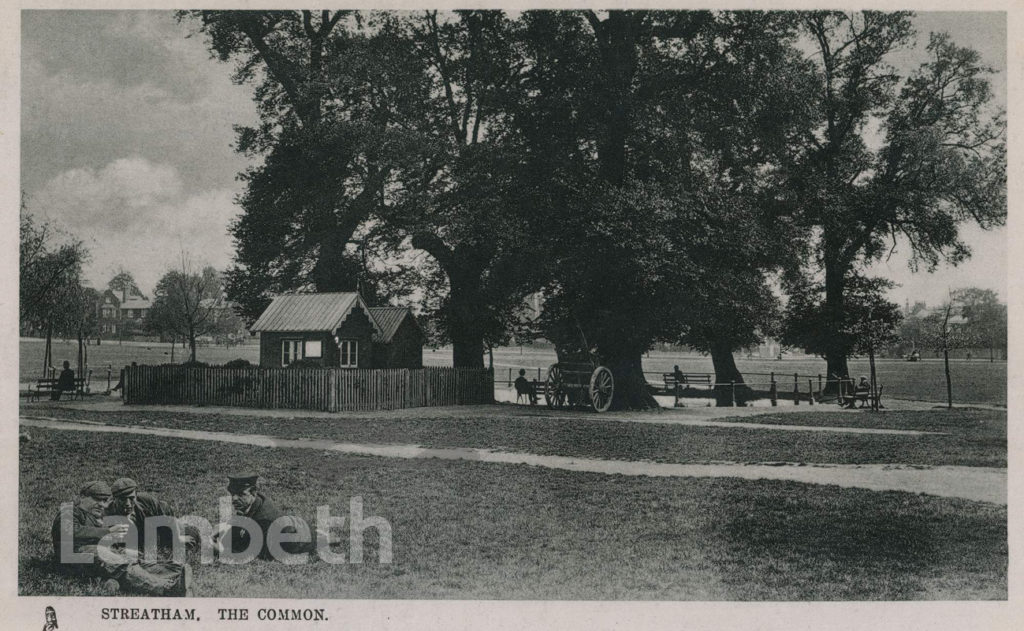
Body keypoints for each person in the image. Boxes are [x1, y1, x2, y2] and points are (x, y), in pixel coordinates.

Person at [50, 480, 190, 596]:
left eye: (104, 500)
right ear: (82, 497)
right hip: (75, 559)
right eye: (96, 499)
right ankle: (166, 588)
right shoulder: (69, 511)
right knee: (119, 564)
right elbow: (70, 532)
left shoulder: (96, 517)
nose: (101, 504)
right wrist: (108, 531)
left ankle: (176, 571)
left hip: (97, 560)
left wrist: (121, 549)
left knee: (135, 559)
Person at [217, 473, 312, 561]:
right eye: (232, 494)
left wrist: (219, 549)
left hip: (303, 542)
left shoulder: (264, 520)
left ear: (254, 493)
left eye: (241, 494)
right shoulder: (256, 501)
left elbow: (249, 554)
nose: (234, 499)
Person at [106, 477, 196, 557]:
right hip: (139, 542)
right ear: (114, 499)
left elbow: (168, 519)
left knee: (193, 535)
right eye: (122, 499)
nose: (128, 504)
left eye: (131, 498)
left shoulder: (147, 502)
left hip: (161, 530)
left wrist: (178, 539)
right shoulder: (106, 515)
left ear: (136, 496)